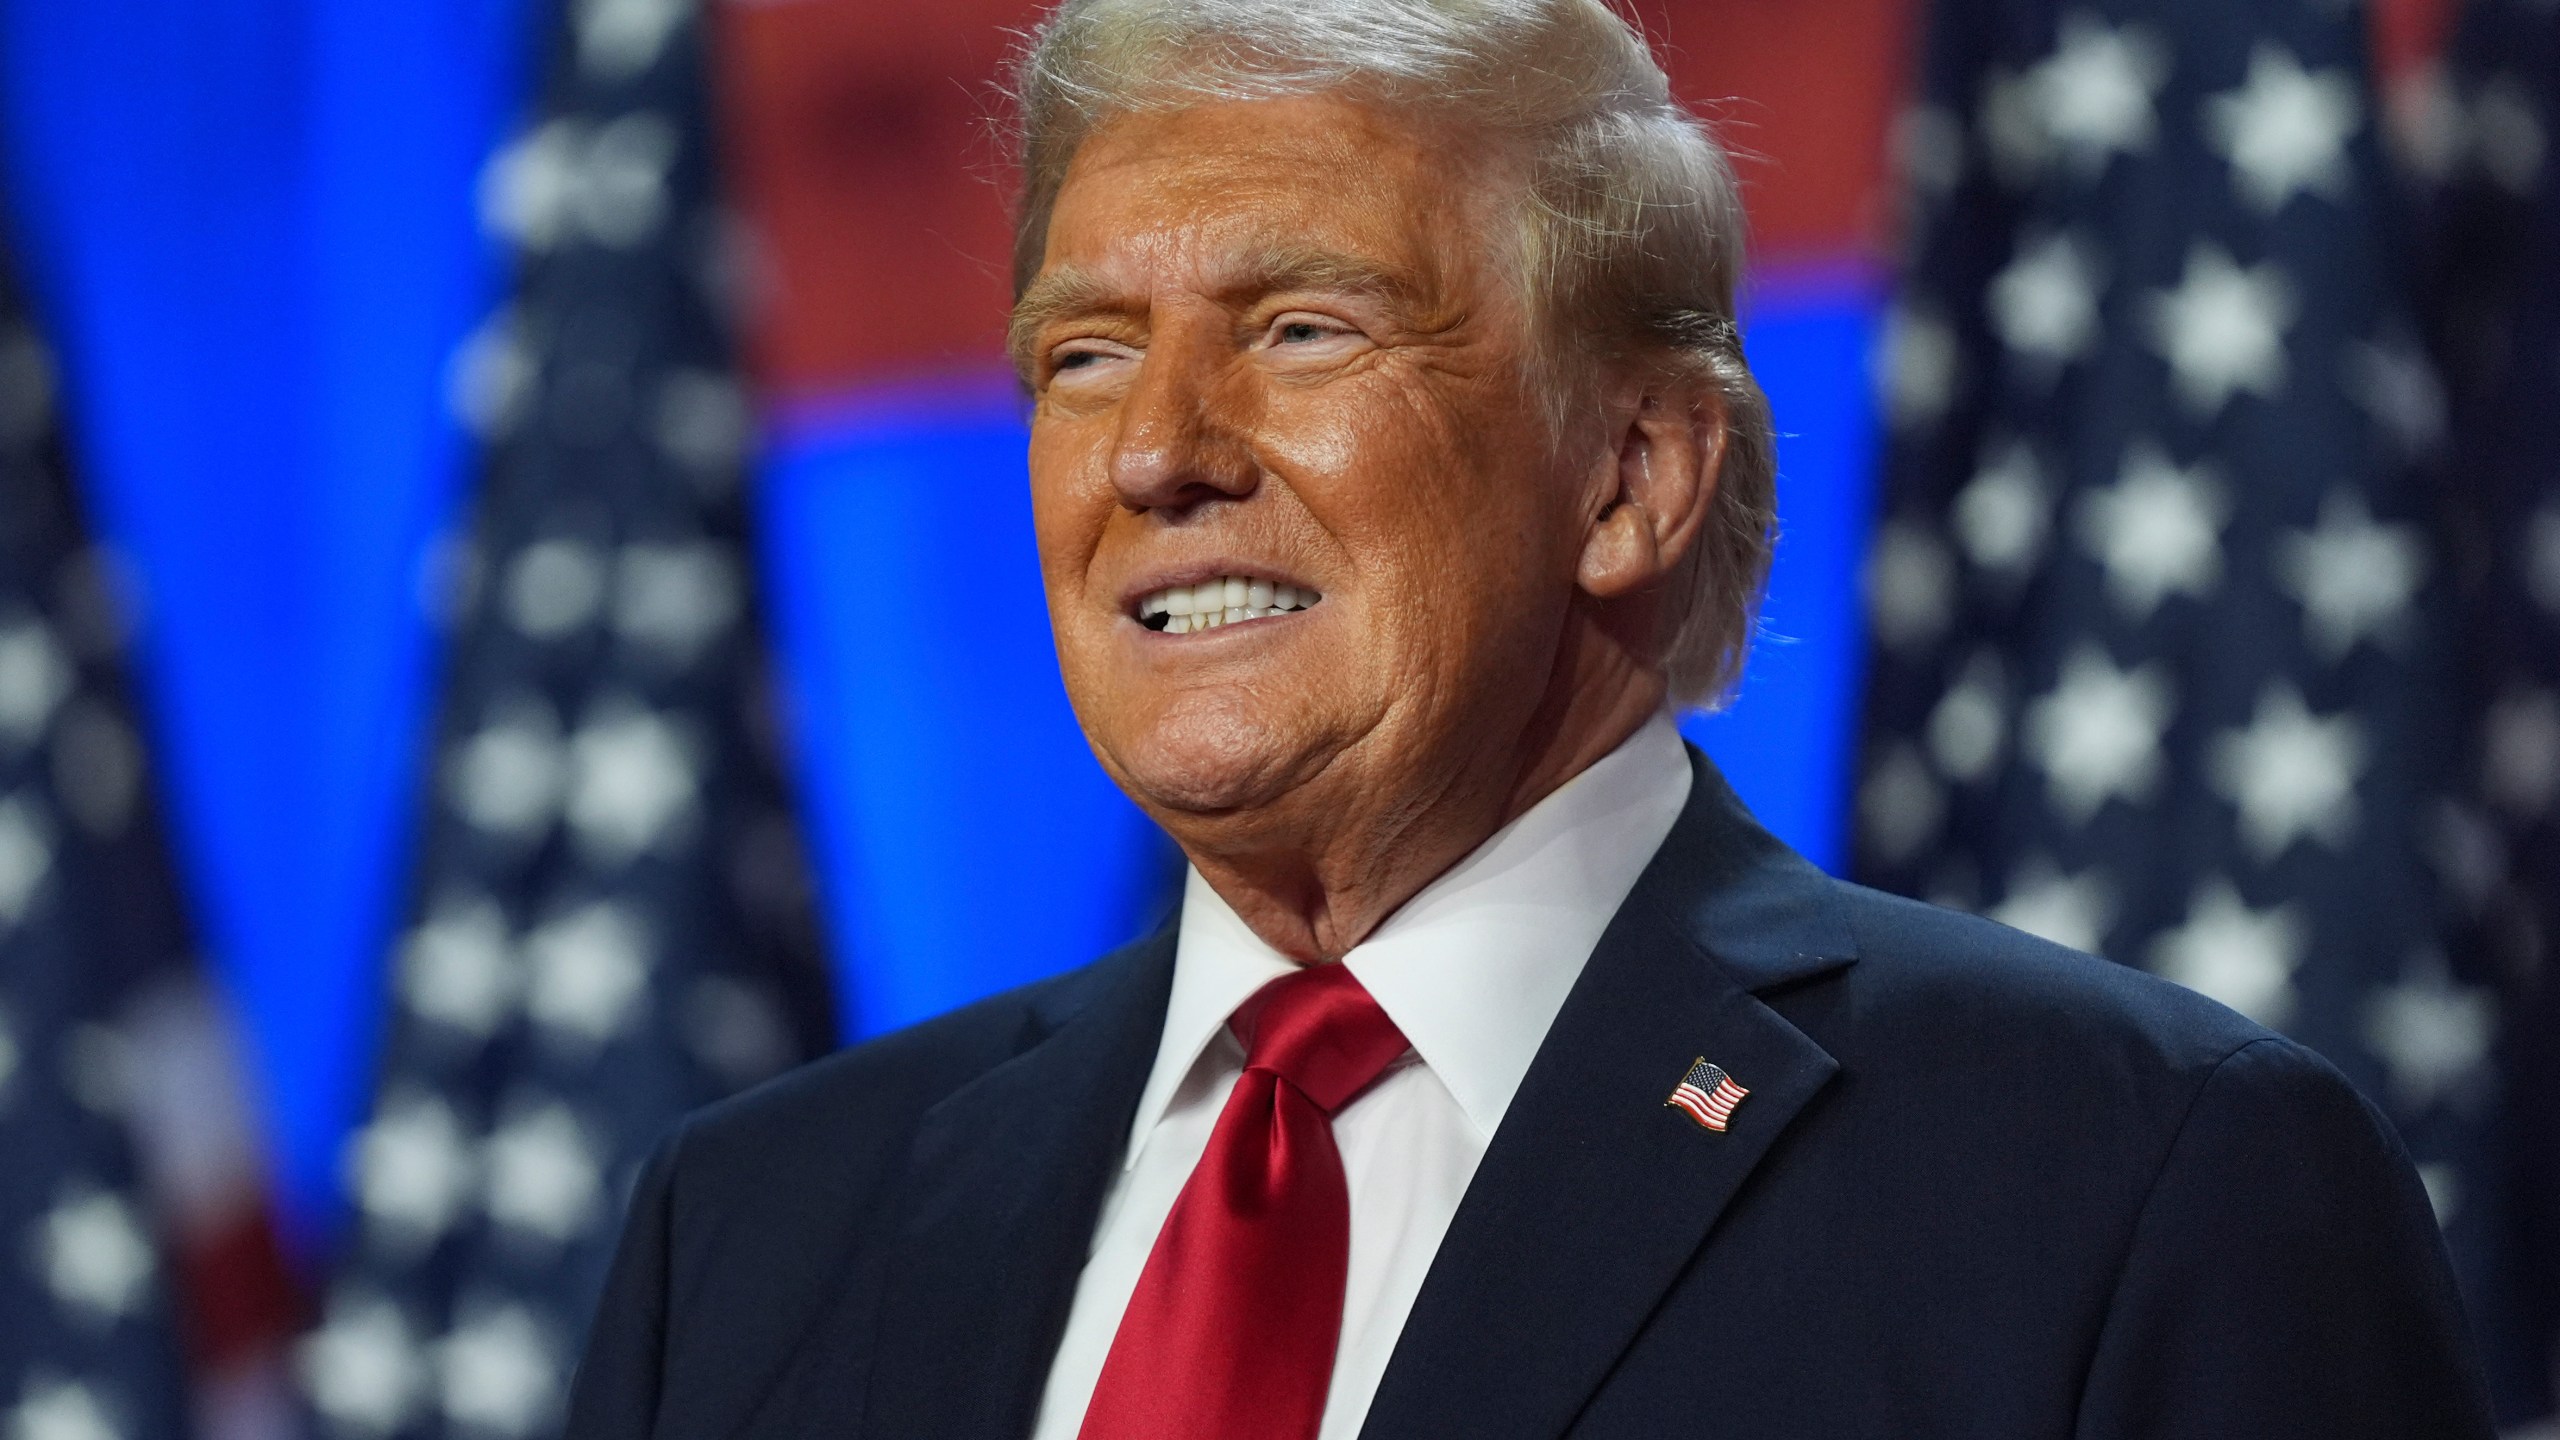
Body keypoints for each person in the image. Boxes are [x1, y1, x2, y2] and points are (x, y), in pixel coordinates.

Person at [564, 0, 2497, 1434]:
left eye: (1302, 327)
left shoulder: (2134, 1185)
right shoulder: (747, 1238)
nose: (1152, 453)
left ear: (1630, 478)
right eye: (1080, 357)